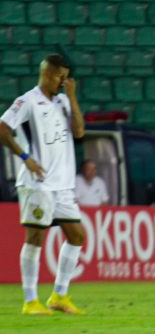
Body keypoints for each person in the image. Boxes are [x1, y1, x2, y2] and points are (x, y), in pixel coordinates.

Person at [0, 54, 86, 315]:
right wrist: (25, 157)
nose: (63, 81)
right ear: (48, 74)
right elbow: (2, 128)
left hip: (62, 186)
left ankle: (59, 295)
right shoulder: (27, 102)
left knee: (77, 235)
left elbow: (80, 132)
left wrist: (72, 97)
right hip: (38, 184)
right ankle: (30, 300)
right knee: (36, 237)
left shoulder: (63, 101)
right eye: (60, 76)